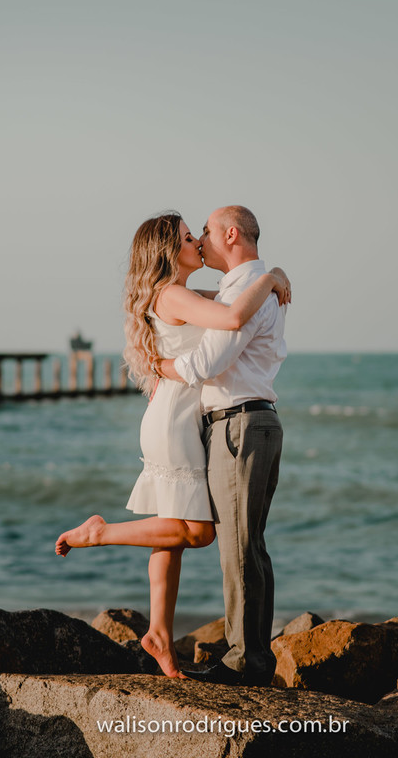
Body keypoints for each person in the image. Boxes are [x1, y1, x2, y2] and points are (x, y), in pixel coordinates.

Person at [55, 210, 289, 679]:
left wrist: (262, 279)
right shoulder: (174, 293)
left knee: (172, 530)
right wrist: (274, 276)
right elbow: (232, 315)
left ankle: (159, 630)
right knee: (196, 531)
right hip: (176, 421)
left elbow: (225, 303)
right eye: (188, 237)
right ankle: (100, 532)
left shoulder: (178, 292)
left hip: (178, 415)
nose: (197, 243)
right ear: (169, 251)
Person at [156, 205, 287, 686]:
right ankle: (254, 656)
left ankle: (245, 662)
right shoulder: (249, 287)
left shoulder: (246, 294)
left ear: (230, 233)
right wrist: (274, 275)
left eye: (206, 232)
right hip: (250, 422)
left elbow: (207, 362)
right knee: (249, 545)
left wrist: (159, 367)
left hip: (240, 425)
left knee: (239, 547)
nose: (201, 241)